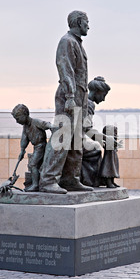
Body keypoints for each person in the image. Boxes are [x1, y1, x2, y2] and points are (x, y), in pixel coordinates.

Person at [39, 10, 93, 194]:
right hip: (69, 97)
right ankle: (47, 181)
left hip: (79, 97)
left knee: (77, 140)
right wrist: (70, 97)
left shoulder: (77, 43)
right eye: (86, 21)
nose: (89, 25)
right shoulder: (67, 41)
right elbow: (65, 70)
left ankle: (71, 178)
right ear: (78, 22)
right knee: (62, 138)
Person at [81, 76, 118, 187]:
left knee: (96, 146)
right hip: (76, 140)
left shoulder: (84, 100)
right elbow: (87, 129)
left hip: (75, 138)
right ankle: (91, 181)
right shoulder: (88, 104)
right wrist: (106, 138)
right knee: (95, 149)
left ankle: (98, 180)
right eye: (103, 95)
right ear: (97, 91)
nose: (103, 99)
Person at [11, 104, 53, 192]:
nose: (17, 121)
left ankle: (35, 185)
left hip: (41, 146)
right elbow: (24, 139)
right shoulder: (25, 127)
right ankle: (38, 183)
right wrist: (22, 150)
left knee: (33, 164)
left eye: (17, 118)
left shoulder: (35, 122)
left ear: (25, 115)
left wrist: (52, 127)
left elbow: (45, 124)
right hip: (36, 148)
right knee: (36, 165)